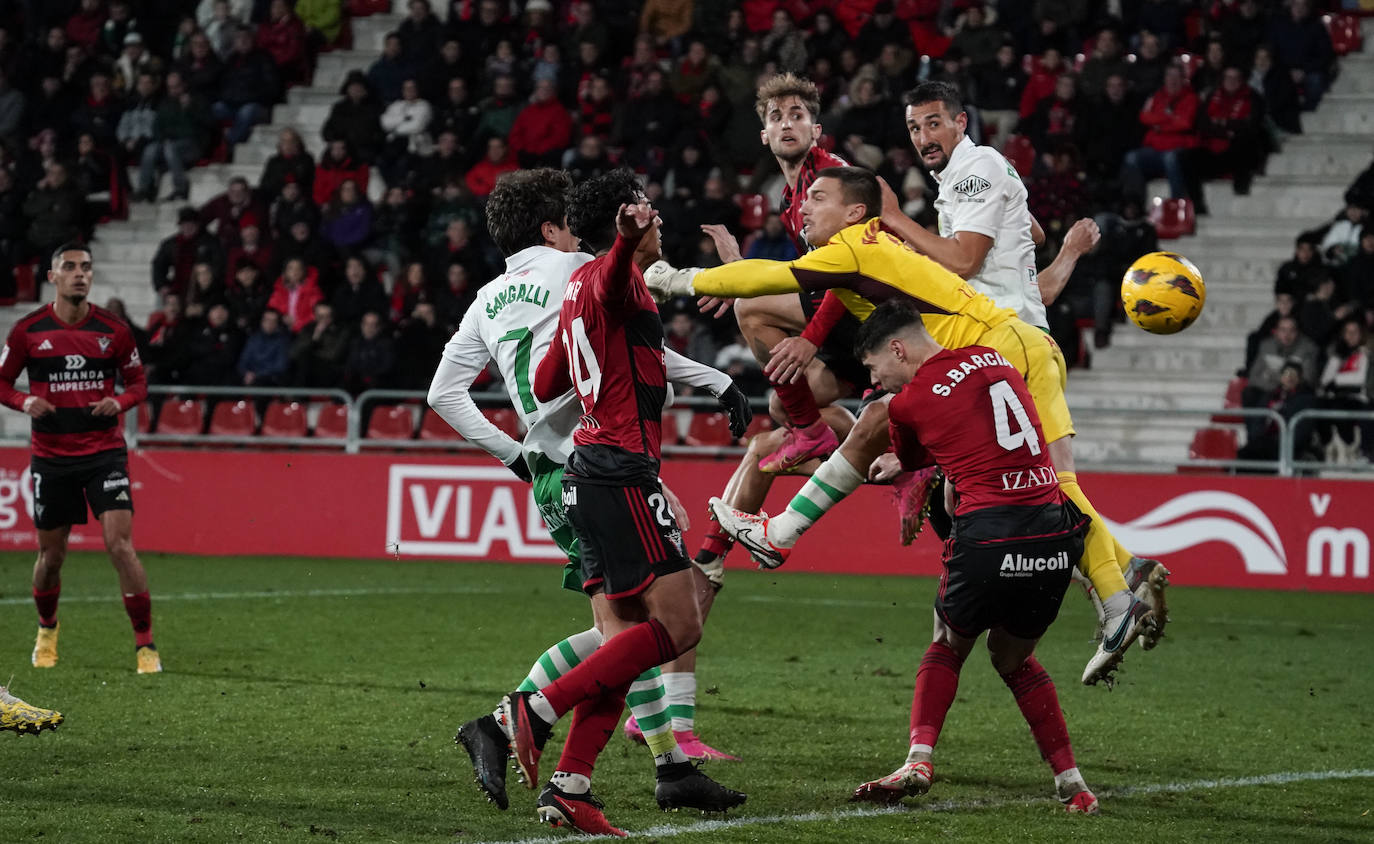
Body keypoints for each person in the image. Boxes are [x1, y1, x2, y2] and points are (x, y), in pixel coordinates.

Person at [649, 168, 1161, 686]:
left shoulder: (854, 245)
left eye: (818, 198)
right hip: (1013, 347)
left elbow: (769, 278)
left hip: (1001, 352)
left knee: (1049, 483)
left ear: (854, 212)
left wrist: (675, 279)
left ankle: (1117, 591)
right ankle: (1122, 584)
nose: (805, 207)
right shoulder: (866, 248)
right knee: (883, 419)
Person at [433, 170, 746, 828]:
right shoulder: (587, 268)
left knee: (624, 629)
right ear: (554, 228)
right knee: (665, 624)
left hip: (556, 474)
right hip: (607, 459)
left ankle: (594, 780)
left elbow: (517, 382)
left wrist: (517, 453)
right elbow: (628, 332)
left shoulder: (490, 299)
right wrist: (632, 248)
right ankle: (522, 714)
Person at [841, 300, 1098, 813]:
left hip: (990, 534)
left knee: (946, 642)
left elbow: (913, 457)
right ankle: (1073, 783)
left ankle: (918, 758)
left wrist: (899, 460)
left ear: (897, 348)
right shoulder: (994, 358)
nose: (878, 380)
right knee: (1012, 658)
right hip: (1052, 535)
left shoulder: (907, 402)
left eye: (874, 368)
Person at [0, 244, 161, 674]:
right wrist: (24, 400)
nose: (79, 274)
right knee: (52, 558)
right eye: (69, 267)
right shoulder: (27, 331)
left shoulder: (114, 330)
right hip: (52, 458)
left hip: (104, 454)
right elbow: (1, 383)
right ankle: (47, 629)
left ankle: (145, 646)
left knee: (120, 546)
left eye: (86, 267)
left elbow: (139, 384)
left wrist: (120, 401)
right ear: (52, 276)